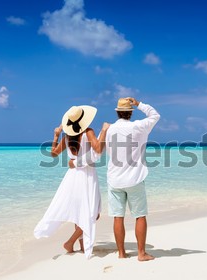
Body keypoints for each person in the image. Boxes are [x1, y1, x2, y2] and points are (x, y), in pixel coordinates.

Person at [34, 105, 109, 258]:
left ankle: (81, 245)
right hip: (86, 175)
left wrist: (55, 135)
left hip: (72, 175)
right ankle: (70, 242)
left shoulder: (67, 136)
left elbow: (54, 154)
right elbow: (98, 149)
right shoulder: (88, 131)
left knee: (78, 210)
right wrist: (104, 131)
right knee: (92, 213)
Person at [106, 97, 160, 261]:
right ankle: (141, 253)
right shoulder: (138, 126)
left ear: (117, 113)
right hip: (135, 179)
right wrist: (139, 104)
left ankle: (122, 253)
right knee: (140, 216)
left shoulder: (110, 130)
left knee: (118, 217)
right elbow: (155, 115)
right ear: (130, 113)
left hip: (114, 178)